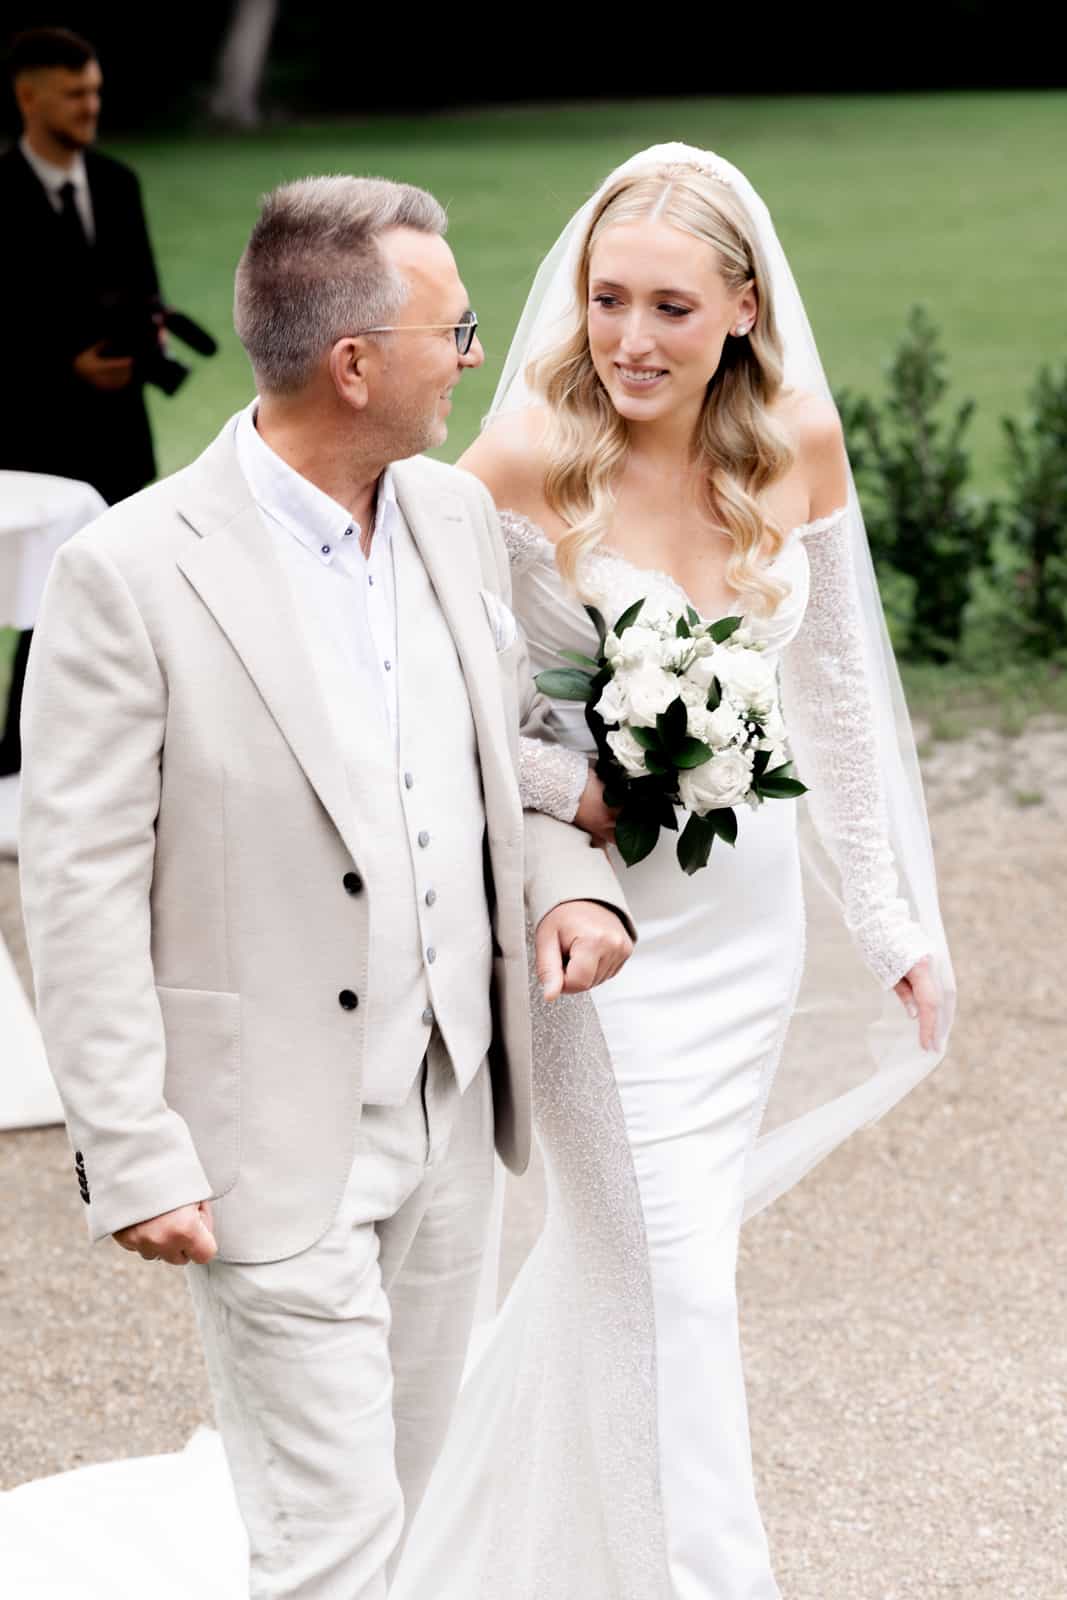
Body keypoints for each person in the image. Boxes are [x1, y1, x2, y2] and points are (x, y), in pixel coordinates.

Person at [17, 173, 635, 1599]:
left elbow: (502, 762)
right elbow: (80, 878)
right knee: (328, 1548)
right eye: (455, 329)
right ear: (353, 363)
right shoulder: (130, 572)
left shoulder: (448, 518)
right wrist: (133, 1147)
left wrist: (569, 883)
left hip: (450, 1107)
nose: (473, 358)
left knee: (407, 1514)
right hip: (267, 1139)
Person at [392, 144, 957, 1600]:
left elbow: (829, 693)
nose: (629, 340)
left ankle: (529, 1557)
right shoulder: (516, 458)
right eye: (605, 300)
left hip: (744, 933)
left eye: (669, 307)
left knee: (635, 1275)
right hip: (602, 937)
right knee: (671, 1282)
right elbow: (424, 692)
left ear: (744, 310)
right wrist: (570, 784)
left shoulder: (797, 448)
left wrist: (891, 918)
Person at [0, 26, 165, 778]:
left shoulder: (121, 183)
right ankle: (20, 751)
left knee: (131, 591)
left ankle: (120, 744)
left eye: (95, 90)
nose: (90, 105)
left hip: (122, 431)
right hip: (34, 437)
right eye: (74, 93)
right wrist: (66, 367)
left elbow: (145, 290)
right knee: (40, 602)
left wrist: (147, 339)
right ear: (27, 95)